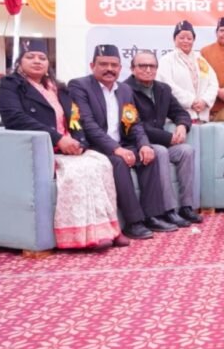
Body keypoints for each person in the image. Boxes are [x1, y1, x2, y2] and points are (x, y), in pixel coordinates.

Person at [0, 40, 127, 249]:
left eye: (42, 58)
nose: (37, 61)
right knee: (77, 172)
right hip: (41, 149)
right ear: (19, 62)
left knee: (101, 163)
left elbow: (75, 118)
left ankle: (109, 230)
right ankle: (80, 237)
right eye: (30, 57)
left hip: (68, 147)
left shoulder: (58, 88)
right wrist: (58, 139)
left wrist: (80, 143)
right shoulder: (10, 85)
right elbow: (15, 118)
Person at [69, 45, 177, 239]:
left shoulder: (125, 90)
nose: (109, 69)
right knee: (119, 162)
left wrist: (144, 144)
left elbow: (134, 122)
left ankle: (152, 216)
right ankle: (133, 222)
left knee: (149, 156)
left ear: (120, 68)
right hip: (95, 147)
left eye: (114, 65)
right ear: (92, 65)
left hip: (121, 144)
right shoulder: (80, 86)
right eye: (103, 64)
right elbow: (88, 124)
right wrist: (116, 149)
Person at [125, 50, 202, 227]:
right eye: (142, 66)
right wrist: (168, 138)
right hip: (136, 144)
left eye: (152, 66)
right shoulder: (125, 90)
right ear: (132, 69)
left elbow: (180, 113)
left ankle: (186, 207)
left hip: (160, 142)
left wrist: (182, 126)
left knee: (186, 150)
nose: (148, 70)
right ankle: (168, 210)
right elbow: (135, 125)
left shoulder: (162, 89)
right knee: (160, 151)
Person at [157, 20, 219, 122]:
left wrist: (204, 101)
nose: (185, 41)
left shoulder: (200, 59)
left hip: (201, 116)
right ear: (174, 39)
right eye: (181, 38)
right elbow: (166, 86)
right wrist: (191, 101)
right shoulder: (166, 60)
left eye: (189, 38)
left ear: (193, 40)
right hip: (178, 118)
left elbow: (213, 83)